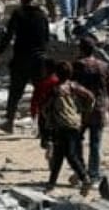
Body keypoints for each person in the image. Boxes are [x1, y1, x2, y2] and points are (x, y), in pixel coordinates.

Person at [0, 0, 50, 133]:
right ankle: (43, 128)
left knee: (15, 93)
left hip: (21, 59)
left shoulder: (18, 13)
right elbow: (46, 37)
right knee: (41, 93)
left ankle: (9, 122)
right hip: (39, 59)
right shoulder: (42, 15)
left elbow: (8, 35)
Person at [42, 61, 94, 193]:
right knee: (59, 156)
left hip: (61, 126)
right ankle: (51, 184)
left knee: (69, 155)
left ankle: (85, 178)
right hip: (75, 123)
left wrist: (48, 123)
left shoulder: (55, 90)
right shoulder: (73, 86)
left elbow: (45, 108)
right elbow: (90, 97)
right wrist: (84, 111)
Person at [72, 36, 109, 183]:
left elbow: (71, 85)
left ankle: (80, 171)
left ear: (81, 49)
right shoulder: (103, 66)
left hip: (81, 110)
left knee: (76, 141)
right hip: (99, 108)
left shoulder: (78, 65)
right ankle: (94, 173)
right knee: (95, 143)